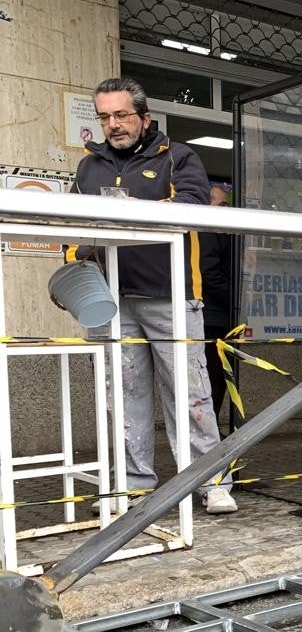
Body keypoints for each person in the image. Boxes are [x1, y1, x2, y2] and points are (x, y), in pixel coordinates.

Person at [68, 78, 236, 514]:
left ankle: (210, 482)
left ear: (144, 117)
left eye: (121, 115)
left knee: (191, 393)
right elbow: (71, 226)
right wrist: (75, 260)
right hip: (114, 298)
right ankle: (133, 482)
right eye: (105, 117)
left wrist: (111, 225)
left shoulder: (177, 157)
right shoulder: (89, 167)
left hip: (173, 295)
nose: (113, 125)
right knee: (124, 394)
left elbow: (191, 208)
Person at [199, 184, 234, 425]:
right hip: (212, 317)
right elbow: (210, 275)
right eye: (222, 204)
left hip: (217, 315)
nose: (226, 209)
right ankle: (208, 435)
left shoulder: (218, 232)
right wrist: (237, 300)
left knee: (217, 378)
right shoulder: (207, 232)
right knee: (212, 378)